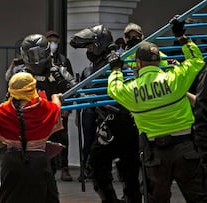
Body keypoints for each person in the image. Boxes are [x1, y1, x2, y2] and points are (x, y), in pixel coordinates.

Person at [107, 18, 207, 202]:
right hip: (186, 149)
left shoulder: (131, 90)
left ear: (138, 64)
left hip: (155, 154)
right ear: (159, 61)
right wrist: (181, 37)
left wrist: (116, 70)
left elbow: (113, 88)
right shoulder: (175, 78)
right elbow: (196, 60)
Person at [70, 24, 141, 203]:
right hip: (107, 121)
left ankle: (130, 199)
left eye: (91, 46)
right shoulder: (96, 64)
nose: (88, 50)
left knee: (128, 169)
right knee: (97, 165)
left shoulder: (116, 60)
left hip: (124, 120)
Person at [0, 72, 62, 203]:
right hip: (39, 162)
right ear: (32, 89)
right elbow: (56, 109)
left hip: (11, 163)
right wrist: (55, 98)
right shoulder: (46, 108)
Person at [19, 33, 76, 182]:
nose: (34, 59)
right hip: (31, 124)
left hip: (54, 120)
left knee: (57, 151)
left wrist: (65, 107)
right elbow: (11, 98)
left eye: (37, 54)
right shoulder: (23, 74)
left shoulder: (58, 71)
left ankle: (63, 169)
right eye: (30, 55)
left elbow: (74, 91)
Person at [44, 30, 74, 181]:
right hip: (46, 106)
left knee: (63, 138)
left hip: (61, 106)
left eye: (55, 40)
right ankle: (49, 168)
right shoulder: (41, 60)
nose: (52, 43)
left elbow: (70, 85)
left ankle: (65, 168)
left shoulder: (63, 61)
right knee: (47, 136)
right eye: (49, 40)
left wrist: (67, 107)